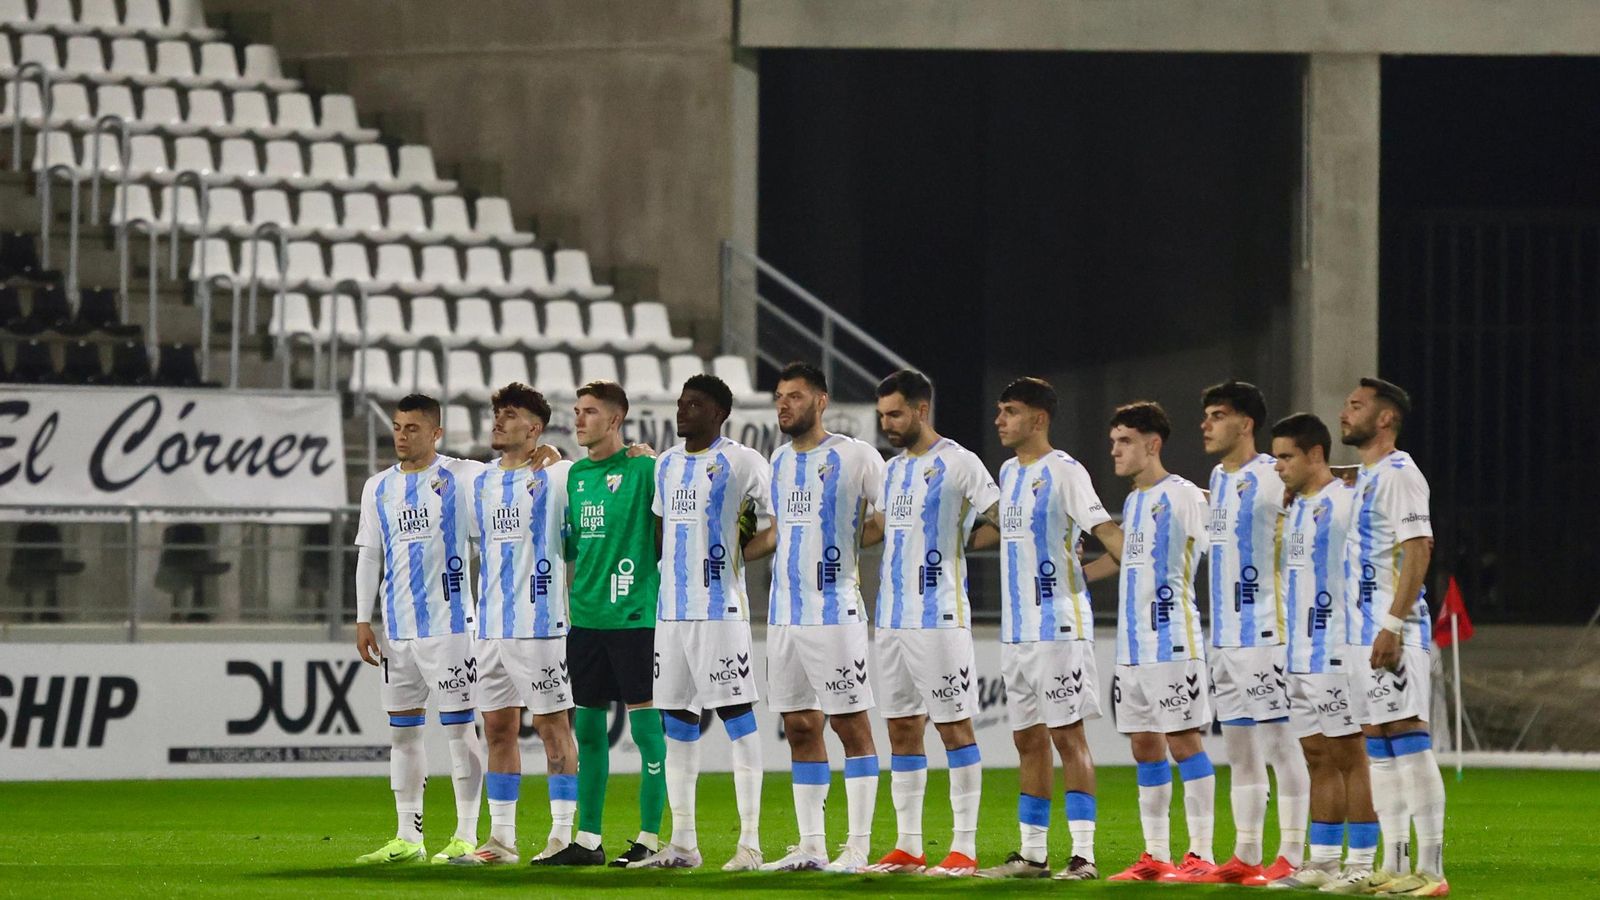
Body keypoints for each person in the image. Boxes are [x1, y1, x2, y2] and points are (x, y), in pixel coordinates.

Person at [976, 377, 1124, 882]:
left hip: (1058, 625)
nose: (1000, 419)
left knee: (1067, 736)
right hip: (1017, 630)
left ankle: (1083, 855)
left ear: (1038, 419)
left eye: (1010, 411)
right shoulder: (1008, 473)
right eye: (999, 410)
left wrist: (1129, 561)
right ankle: (1032, 855)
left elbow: (1103, 531)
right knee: (1027, 741)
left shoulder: (1065, 471)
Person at [743, 361, 884, 873]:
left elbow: (888, 516)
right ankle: (812, 845)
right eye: (779, 396)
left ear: (821, 401)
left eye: (795, 396)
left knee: (851, 725)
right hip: (784, 614)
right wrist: (730, 553)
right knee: (801, 725)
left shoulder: (856, 455)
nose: (784, 404)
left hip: (834, 611)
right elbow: (779, 531)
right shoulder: (777, 460)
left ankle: (859, 847)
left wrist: (848, 545)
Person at [629, 375, 771, 871]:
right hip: (671, 613)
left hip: (719, 611)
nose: (682, 411)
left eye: (695, 404)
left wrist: (732, 556)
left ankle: (750, 843)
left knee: (737, 716)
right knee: (677, 721)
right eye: (681, 403)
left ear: (719, 413)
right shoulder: (665, 465)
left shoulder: (745, 462)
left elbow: (771, 527)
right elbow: (664, 529)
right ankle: (684, 844)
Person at [864, 369, 1000, 878]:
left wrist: (965, 545)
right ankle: (909, 846)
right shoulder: (891, 469)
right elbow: (878, 528)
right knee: (901, 729)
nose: (887, 424)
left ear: (921, 410)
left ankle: (963, 847)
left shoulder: (960, 462)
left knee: (955, 727)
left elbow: (1000, 516)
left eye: (894, 414)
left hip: (939, 617)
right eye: (881, 416)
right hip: (892, 620)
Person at [536, 380, 665, 868]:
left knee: (646, 729)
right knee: (587, 730)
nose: (579, 419)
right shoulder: (574, 478)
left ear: (615, 419)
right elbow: (571, 546)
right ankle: (588, 840)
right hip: (585, 619)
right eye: (576, 410)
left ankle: (649, 839)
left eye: (589, 411)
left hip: (634, 617)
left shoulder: (644, 468)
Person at [352, 393, 485, 865]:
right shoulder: (378, 487)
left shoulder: (464, 476)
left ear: (435, 432)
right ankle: (408, 837)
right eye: (397, 426)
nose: (402, 435)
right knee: (403, 734)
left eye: (412, 427)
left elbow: (517, 473)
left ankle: (466, 836)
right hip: (398, 631)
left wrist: (548, 455)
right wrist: (363, 617)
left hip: (450, 628)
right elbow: (370, 554)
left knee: (458, 729)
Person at [1089, 401, 1217, 883]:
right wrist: (1076, 575)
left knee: (1184, 743)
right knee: (1145, 746)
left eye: (1124, 441)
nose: (1115, 451)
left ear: (1152, 444)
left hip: (1173, 643)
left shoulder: (1184, 497)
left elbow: (1224, 533)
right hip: (1133, 650)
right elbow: (1128, 560)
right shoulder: (1137, 502)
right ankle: (1155, 855)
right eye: (1113, 442)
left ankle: (1201, 854)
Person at [451, 383, 578, 865]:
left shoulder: (560, 474)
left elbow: (607, 472)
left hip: (541, 625)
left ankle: (562, 833)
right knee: (498, 730)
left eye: (510, 415)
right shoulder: (477, 481)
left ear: (535, 427)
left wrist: (556, 451)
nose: (498, 421)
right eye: (497, 414)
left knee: (552, 729)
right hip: (490, 628)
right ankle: (501, 839)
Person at [1332, 378, 1448, 897]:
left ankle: (1432, 870)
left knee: (1408, 737)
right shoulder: (1366, 476)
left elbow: (1419, 547)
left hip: (1392, 628)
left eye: (1356, 406)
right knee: (1379, 745)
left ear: (1384, 419)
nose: (1344, 413)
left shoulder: (1401, 473)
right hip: (1364, 631)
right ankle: (1396, 863)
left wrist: (1395, 625)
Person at [1193, 381, 1310, 884]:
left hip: (1268, 633)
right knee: (1239, 750)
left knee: (1283, 747)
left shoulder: (1273, 476)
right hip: (1225, 639)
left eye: (1217, 415)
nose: (1206, 424)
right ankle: (1246, 855)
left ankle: (1294, 854)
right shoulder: (1218, 478)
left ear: (1246, 424)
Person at [1261, 412, 1380, 889]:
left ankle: (1363, 864)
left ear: (1315, 454)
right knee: (1315, 757)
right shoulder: (1296, 507)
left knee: (1351, 755)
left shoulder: (1347, 502)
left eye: (1286, 457)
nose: (1278, 466)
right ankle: (1324, 861)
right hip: (1299, 654)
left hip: (1336, 651)